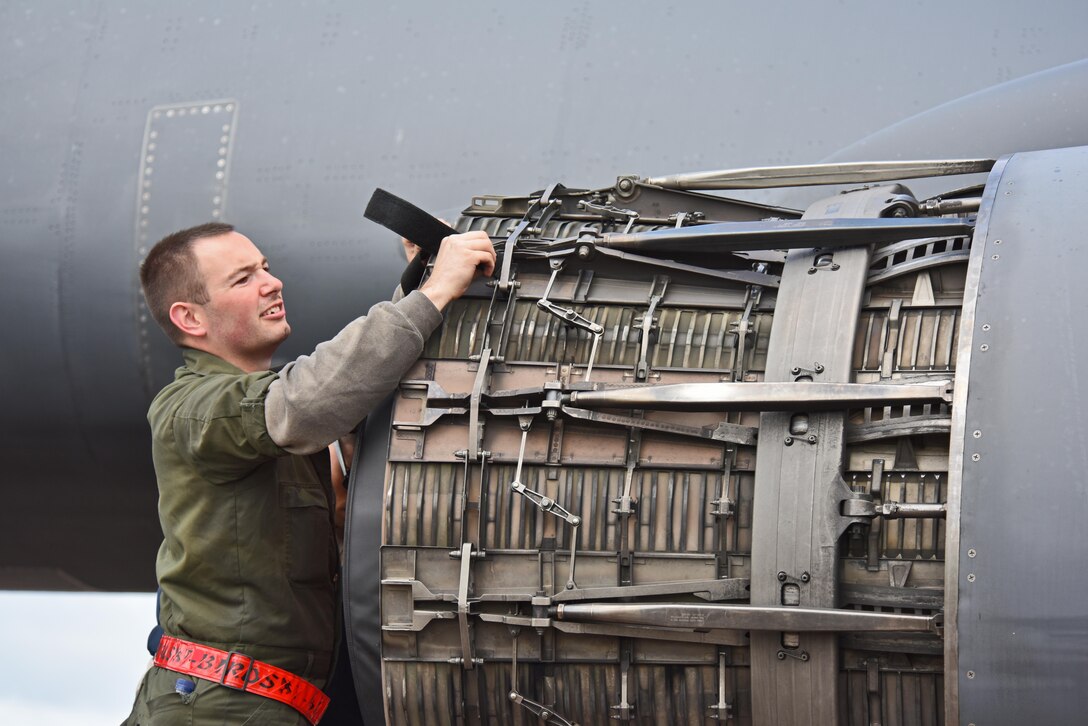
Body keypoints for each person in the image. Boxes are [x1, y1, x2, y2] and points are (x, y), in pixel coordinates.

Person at [123, 221, 495, 725]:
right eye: (242, 279)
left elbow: (343, 386)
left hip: (280, 706)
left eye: (266, 269)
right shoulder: (193, 409)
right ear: (189, 318)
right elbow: (306, 400)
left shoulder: (274, 408)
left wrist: (417, 281)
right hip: (216, 710)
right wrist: (432, 293)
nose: (271, 283)